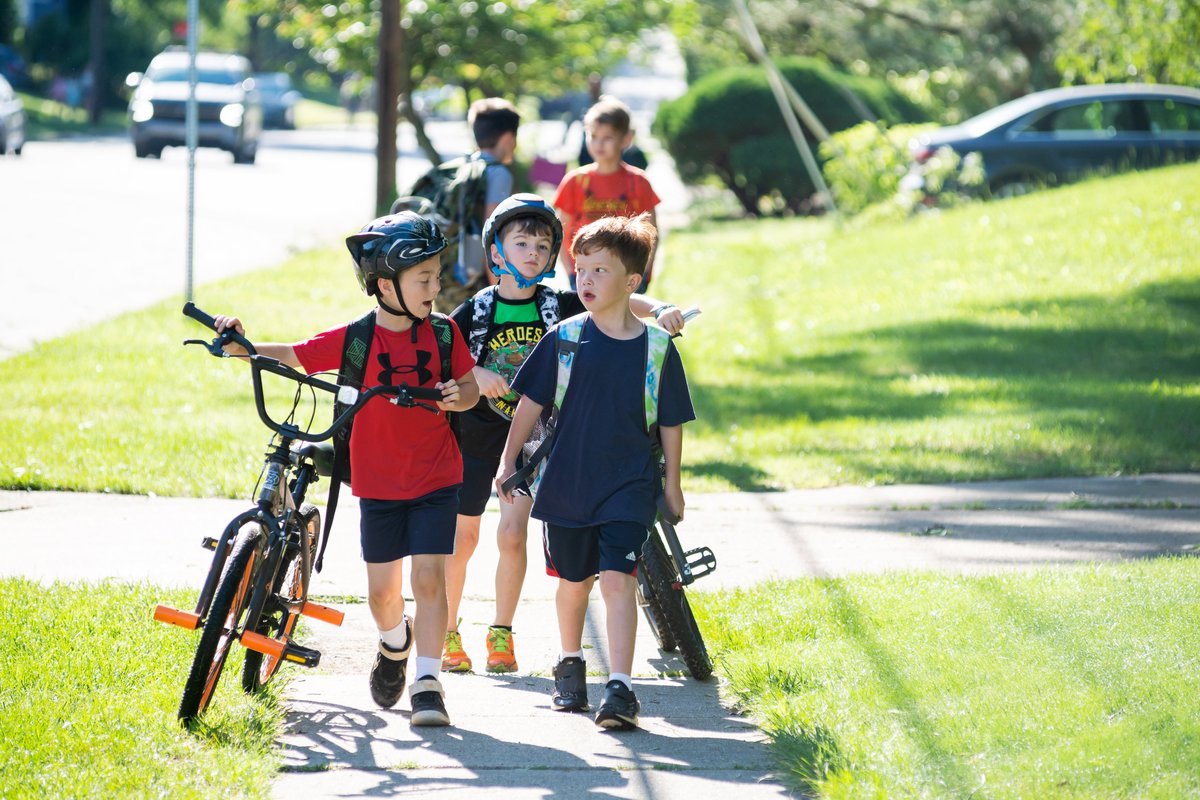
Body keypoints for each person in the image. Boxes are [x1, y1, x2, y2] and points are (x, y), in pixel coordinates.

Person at [212, 212, 480, 727]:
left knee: (429, 579)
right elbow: (294, 355)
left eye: (436, 274)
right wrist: (240, 346)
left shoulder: (445, 335)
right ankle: (394, 643)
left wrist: (459, 396)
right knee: (382, 594)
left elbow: (468, 388)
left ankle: (428, 683)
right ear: (385, 284)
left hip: (436, 478)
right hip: (378, 483)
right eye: (423, 278)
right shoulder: (357, 339)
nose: (435, 285)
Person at [443, 194, 687, 676]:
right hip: (477, 433)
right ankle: (449, 630)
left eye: (542, 244)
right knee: (463, 537)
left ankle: (501, 632)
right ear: (496, 252)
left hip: (539, 438)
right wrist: (476, 371)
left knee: (513, 535)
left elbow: (623, 296)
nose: (533, 252)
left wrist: (661, 308)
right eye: (521, 243)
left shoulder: (559, 303)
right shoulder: (477, 309)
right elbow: (440, 347)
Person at [496, 213, 695, 730]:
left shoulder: (656, 349)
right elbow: (530, 405)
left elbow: (670, 420)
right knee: (573, 582)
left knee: (617, 581)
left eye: (600, 271)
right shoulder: (564, 338)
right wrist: (507, 459)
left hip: (629, 483)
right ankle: (570, 663)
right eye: (580, 269)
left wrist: (672, 484)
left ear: (633, 283)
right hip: (566, 484)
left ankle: (621, 688)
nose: (585, 280)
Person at [554, 96, 661, 292]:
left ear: (626, 139)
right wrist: (571, 273)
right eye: (593, 136)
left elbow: (651, 233)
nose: (599, 144)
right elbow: (561, 232)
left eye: (607, 138)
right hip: (585, 276)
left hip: (623, 276)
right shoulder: (575, 182)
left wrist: (644, 273)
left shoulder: (638, 182)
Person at [463, 97, 521, 288]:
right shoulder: (499, 173)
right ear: (507, 138)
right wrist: (495, 287)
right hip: (476, 278)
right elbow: (491, 230)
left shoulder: (463, 167)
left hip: (449, 274)